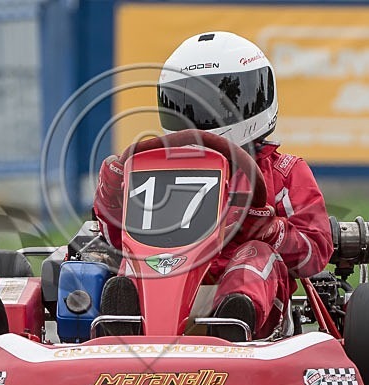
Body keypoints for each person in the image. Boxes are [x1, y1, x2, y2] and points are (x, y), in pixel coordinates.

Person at [94, 31, 333, 341]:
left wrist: (274, 233)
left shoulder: (283, 172)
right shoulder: (161, 171)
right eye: (188, 103)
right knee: (135, 258)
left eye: (218, 102)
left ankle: (232, 326)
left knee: (255, 253)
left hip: (251, 305)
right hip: (165, 292)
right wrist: (112, 197)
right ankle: (125, 325)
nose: (203, 115)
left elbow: (316, 251)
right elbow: (120, 239)